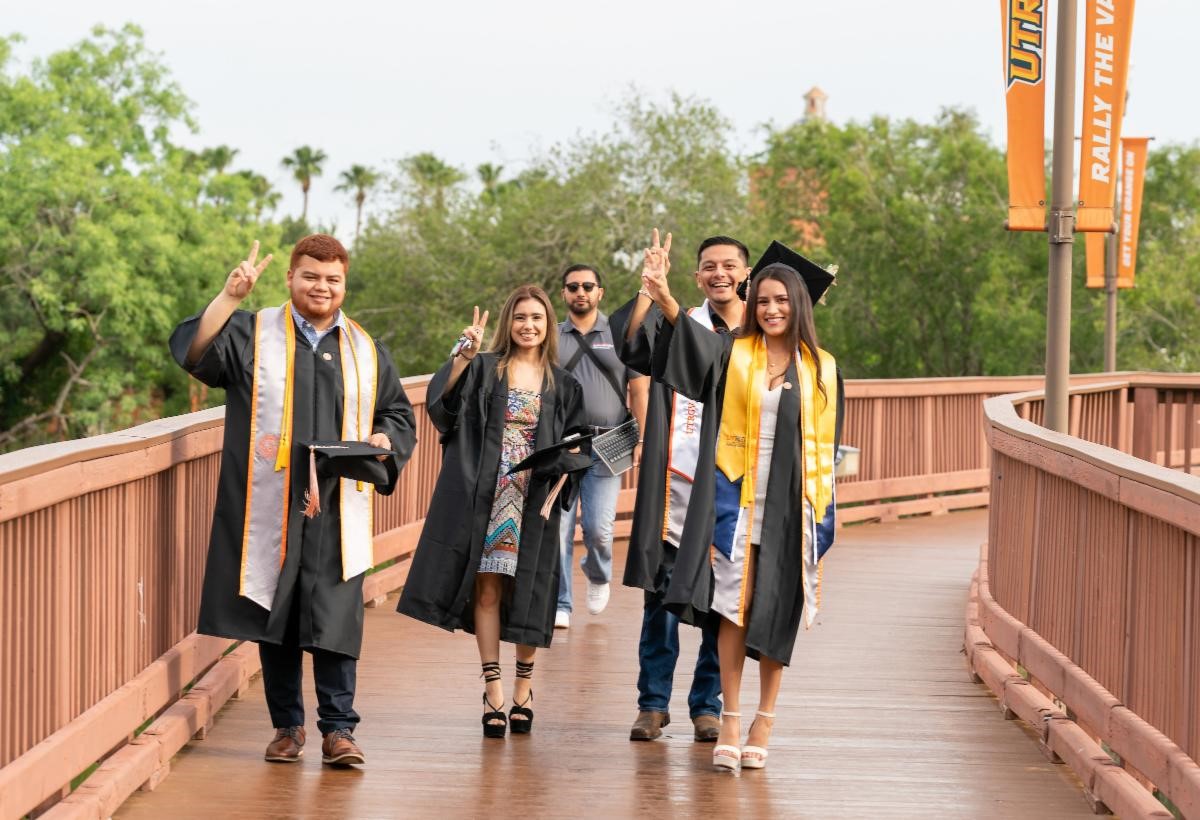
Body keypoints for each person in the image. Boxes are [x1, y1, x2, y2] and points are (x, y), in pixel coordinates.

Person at [169, 235, 417, 767]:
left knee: (334, 618)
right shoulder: (253, 331)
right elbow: (196, 353)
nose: (321, 287)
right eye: (310, 276)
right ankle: (287, 727)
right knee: (274, 615)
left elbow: (397, 413)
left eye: (332, 279)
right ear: (290, 277)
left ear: (344, 283)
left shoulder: (364, 348)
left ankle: (339, 730)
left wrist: (384, 440)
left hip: (335, 504)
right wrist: (229, 297)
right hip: (272, 503)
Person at [639, 239, 843, 771]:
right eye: (764, 302)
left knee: (777, 608)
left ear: (800, 306)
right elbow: (692, 349)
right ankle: (730, 716)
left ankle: (764, 720)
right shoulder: (735, 355)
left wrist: (823, 514)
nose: (772, 310)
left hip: (792, 505)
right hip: (736, 495)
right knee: (730, 609)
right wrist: (662, 297)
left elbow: (828, 445)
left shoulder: (823, 369)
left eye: (782, 301)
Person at [397, 286, 589, 738]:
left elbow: (578, 442)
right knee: (486, 592)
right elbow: (441, 410)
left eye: (537, 318)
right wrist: (463, 356)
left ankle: (524, 685)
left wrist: (572, 460)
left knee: (531, 592)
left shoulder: (565, 384)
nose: (528, 325)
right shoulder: (485, 369)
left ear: (548, 325)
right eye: (520, 317)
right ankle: (493, 688)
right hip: (488, 497)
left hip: (534, 498)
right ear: (509, 322)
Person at [608, 231, 750, 743]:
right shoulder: (683, 321)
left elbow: (726, 369)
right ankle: (652, 703)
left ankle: (706, 706)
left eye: (729, 265)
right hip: (678, 484)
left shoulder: (760, 335)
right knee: (661, 597)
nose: (719, 274)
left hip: (733, 487)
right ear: (697, 276)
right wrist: (650, 288)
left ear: (745, 273)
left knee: (721, 600)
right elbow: (633, 348)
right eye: (709, 266)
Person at [554, 264, 649, 629]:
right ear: (563, 293)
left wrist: (642, 436)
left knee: (598, 529)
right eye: (573, 286)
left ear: (600, 292)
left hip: (609, 443)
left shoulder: (621, 332)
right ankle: (562, 602)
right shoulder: (551, 335)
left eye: (587, 286)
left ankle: (597, 573)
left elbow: (639, 388)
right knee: (560, 528)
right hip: (563, 446)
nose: (580, 292)